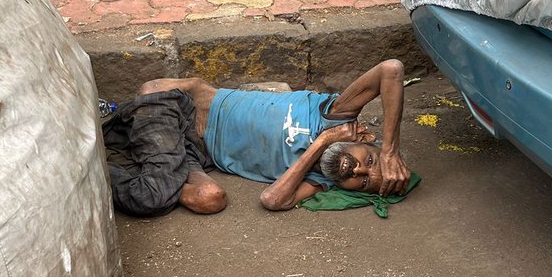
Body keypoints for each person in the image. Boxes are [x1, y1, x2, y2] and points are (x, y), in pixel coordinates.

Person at [134, 58, 411, 213]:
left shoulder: (318, 180)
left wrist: (322, 143)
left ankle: (144, 157)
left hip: (197, 154)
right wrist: (390, 151)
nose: (358, 170)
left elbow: (272, 200)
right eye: (371, 162)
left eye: (362, 183)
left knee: (209, 198)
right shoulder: (337, 113)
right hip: (198, 106)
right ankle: (147, 159)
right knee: (151, 91)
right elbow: (391, 70)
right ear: (365, 138)